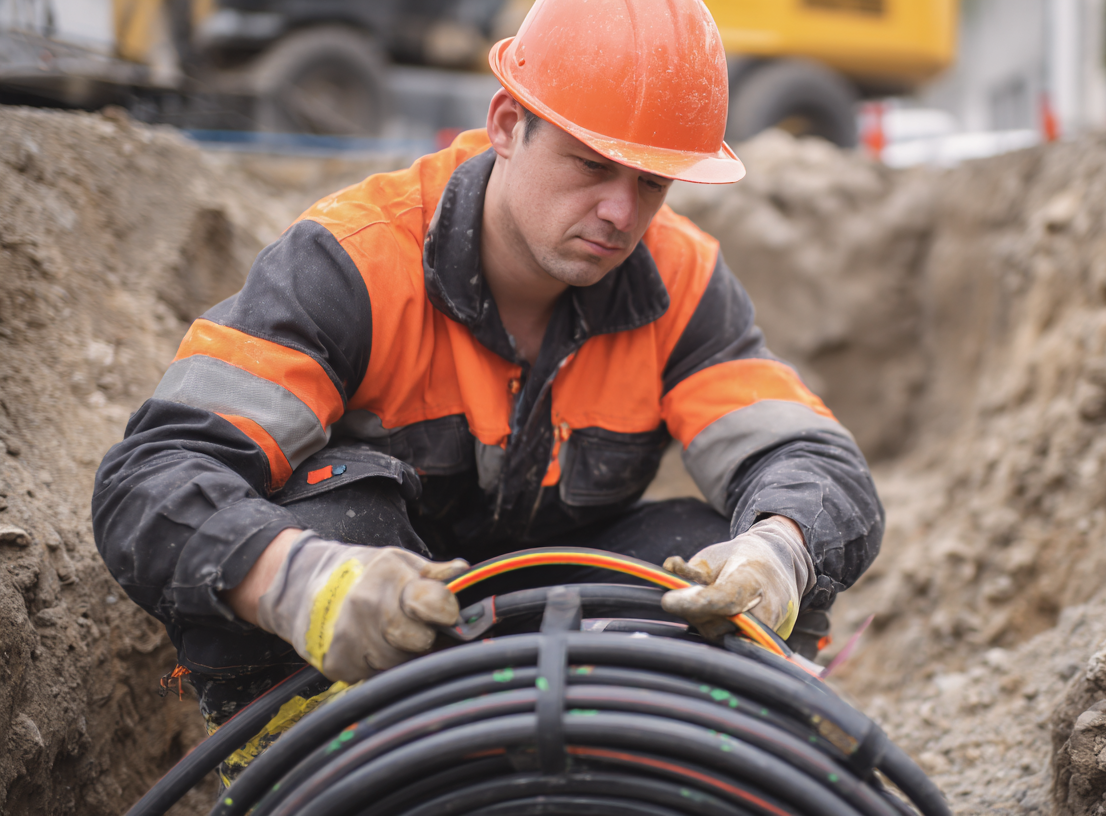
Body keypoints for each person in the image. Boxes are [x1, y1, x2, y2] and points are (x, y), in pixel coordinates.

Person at [91, 0, 882, 781]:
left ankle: (660, 780)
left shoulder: (682, 281)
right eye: (592, 164)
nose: (620, 212)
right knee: (327, 511)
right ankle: (313, 777)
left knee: (731, 560)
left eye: (651, 181)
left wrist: (778, 551)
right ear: (507, 125)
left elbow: (810, 457)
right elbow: (151, 477)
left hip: (562, 604)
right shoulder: (355, 265)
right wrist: (301, 585)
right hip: (377, 632)